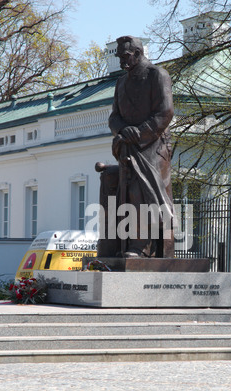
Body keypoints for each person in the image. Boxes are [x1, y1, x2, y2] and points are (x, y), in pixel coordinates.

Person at [99, 35, 175, 258]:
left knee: (139, 185)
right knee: (109, 179)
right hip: (127, 146)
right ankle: (110, 245)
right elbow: (114, 117)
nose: (122, 61)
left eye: (126, 56)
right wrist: (123, 130)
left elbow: (165, 112)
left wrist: (138, 133)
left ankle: (142, 247)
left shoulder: (157, 75)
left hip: (153, 144)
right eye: (120, 57)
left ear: (138, 54)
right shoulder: (121, 82)